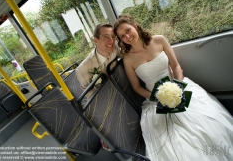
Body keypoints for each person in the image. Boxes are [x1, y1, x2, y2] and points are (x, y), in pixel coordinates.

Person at [113, 15, 233, 161]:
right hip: (154, 99)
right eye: (122, 36)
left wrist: (178, 88)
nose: (127, 36)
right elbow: (137, 87)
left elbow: (175, 66)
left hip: (178, 86)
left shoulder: (159, 40)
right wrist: (157, 98)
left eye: (128, 30)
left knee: (207, 124)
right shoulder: (128, 59)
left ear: (135, 25)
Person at [76, 23, 120, 151]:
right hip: (105, 101)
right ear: (95, 40)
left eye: (113, 36)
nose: (111, 41)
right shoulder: (83, 69)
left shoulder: (116, 47)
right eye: (106, 37)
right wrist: (103, 130)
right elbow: (91, 101)